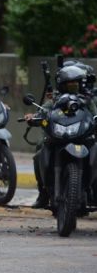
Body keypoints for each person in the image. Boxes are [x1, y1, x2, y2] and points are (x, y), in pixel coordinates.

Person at [26, 64, 97, 208]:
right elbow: (44, 111)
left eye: (75, 84)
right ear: (62, 85)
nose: (73, 87)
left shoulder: (88, 100)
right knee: (39, 152)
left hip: (82, 136)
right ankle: (43, 194)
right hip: (59, 135)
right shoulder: (55, 100)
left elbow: (94, 113)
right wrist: (34, 117)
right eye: (70, 84)